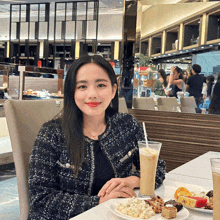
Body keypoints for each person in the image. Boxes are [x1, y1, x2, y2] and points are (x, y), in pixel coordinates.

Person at [28, 55, 166, 219]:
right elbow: (40, 198)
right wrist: (99, 202)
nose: (92, 94)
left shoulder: (127, 125)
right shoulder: (52, 133)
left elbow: (158, 167)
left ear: (113, 90)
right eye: (82, 87)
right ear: (72, 92)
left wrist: (133, 180)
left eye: (101, 85)